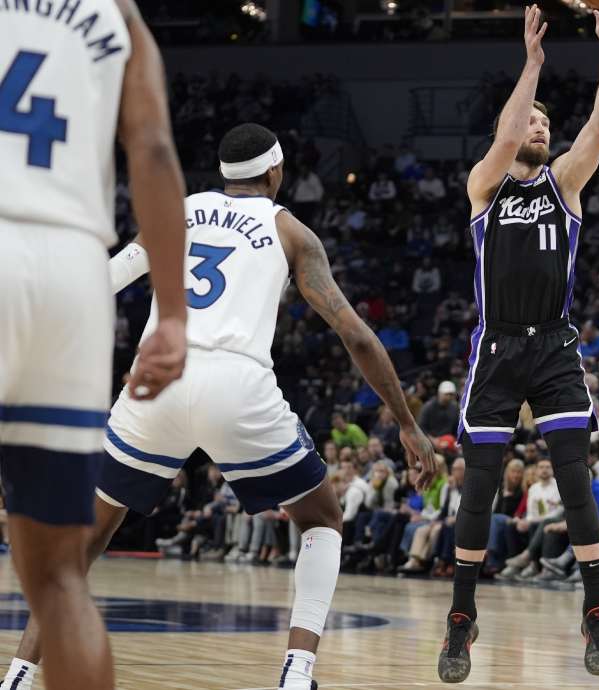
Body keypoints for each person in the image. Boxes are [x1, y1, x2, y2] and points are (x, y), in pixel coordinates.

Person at [2, 123, 438, 690]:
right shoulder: (292, 232)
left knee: (84, 540)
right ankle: (297, 672)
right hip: (236, 385)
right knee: (322, 518)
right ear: (276, 171)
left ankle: (18, 674)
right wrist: (407, 424)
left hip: (154, 382)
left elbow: (105, 279)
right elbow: (355, 337)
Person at [0, 3, 190, 688]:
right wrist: (172, 313)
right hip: (73, 271)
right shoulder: (122, 14)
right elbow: (154, 149)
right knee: (57, 578)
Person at [440, 6, 599, 681]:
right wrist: (532, 64)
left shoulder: (565, 184)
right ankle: (462, 619)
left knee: (576, 483)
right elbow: (502, 133)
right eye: (533, 121)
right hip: (494, 350)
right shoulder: (484, 185)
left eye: (547, 123)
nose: (541, 128)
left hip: (552, 347)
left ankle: (597, 613)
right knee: (480, 489)